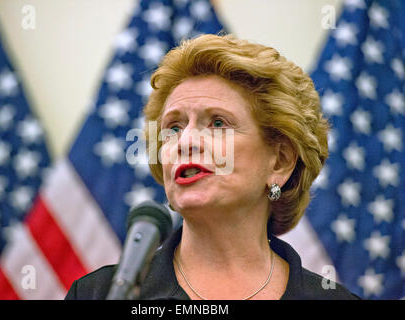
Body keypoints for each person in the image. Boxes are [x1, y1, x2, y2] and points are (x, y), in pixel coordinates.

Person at [65, 34, 360, 300]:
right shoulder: (97, 294)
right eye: (173, 128)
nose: (185, 141)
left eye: (218, 123)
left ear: (280, 161)